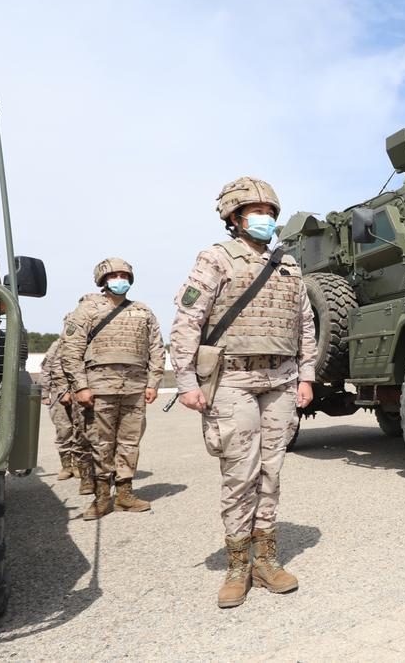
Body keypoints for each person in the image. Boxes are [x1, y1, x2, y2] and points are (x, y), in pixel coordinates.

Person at [169, 176, 317, 609]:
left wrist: (306, 376)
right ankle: (237, 563)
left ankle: (265, 560)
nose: (266, 219)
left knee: (271, 472)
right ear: (234, 217)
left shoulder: (288, 264)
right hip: (232, 380)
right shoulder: (215, 259)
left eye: (271, 212)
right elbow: (187, 322)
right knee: (240, 475)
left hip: (280, 381)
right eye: (256, 212)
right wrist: (186, 382)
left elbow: (305, 324)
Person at [61, 258, 166, 520]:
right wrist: (80, 387)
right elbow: (71, 351)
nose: (120, 280)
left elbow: (156, 348)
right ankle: (101, 498)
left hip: (134, 387)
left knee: (130, 442)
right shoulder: (87, 310)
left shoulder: (143, 311)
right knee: (100, 443)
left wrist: (153, 382)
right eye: (114, 275)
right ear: (102, 280)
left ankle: (125, 495)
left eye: (124, 275)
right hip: (99, 388)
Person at [40, 338, 84, 480]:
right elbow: (46, 368)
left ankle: (78, 464)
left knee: (80, 430)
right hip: (59, 393)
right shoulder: (58, 344)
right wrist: (45, 393)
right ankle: (66, 466)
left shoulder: (86, 342)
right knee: (64, 430)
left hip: (80, 391)